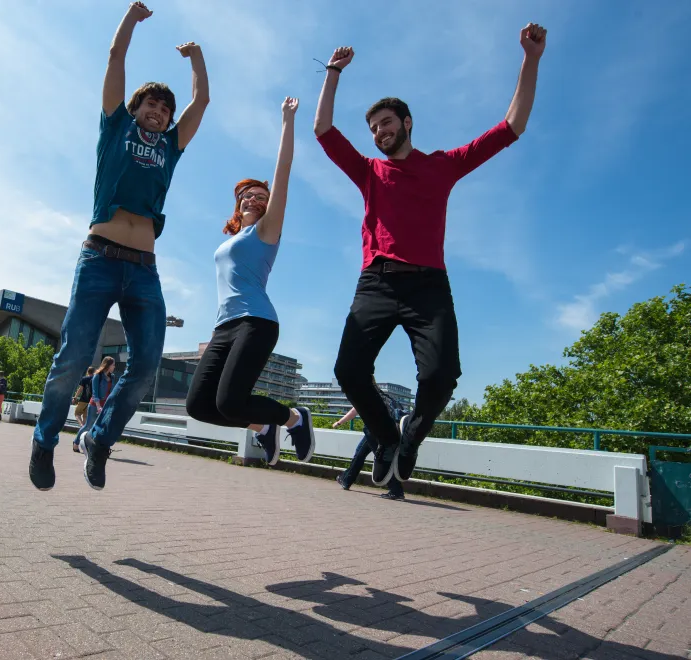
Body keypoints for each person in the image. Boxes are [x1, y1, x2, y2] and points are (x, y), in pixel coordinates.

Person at [314, 24, 547, 486]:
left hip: (428, 285)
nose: (380, 132)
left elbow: (511, 127)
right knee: (348, 369)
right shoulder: (368, 171)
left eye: (386, 123)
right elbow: (322, 129)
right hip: (377, 280)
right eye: (374, 127)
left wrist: (531, 59)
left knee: (442, 375)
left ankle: (409, 436)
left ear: (407, 123)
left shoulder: (443, 165)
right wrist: (334, 73)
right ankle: (384, 439)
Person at [30, 1, 210, 492]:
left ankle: (100, 440)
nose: (158, 111)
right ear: (135, 109)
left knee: (147, 364)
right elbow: (115, 60)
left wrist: (196, 59)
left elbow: (202, 102)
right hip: (99, 260)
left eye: (165, 108)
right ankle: (44, 441)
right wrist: (130, 18)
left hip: (144, 271)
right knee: (73, 357)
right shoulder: (115, 129)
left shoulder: (170, 147)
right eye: (150, 104)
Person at [185, 97, 315, 466]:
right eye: (248, 195)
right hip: (223, 326)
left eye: (262, 195)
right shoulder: (229, 240)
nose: (255, 198)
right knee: (200, 406)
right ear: (237, 204)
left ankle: (293, 418)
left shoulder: (267, 231)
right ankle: (263, 428)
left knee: (229, 401)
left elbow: (283, 170)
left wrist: (288, 121)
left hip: (256, 321)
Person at [333, 407, 405, 500]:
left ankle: (396, 491)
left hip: (374, 429)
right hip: (378, 428)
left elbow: (354, 411)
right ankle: (346, 480)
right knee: (360, 454)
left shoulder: (364, 394)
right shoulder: (379, 395)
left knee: (382, 459)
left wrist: (339, 422)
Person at [75, 357, 116, 449]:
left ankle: (97, 446)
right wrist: (98, 406)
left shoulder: (112, 377)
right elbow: (95, 393)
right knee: (88, 426)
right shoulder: (97, 376)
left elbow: (112, 392)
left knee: (103, 427)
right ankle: (76, 442)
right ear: (108, 365)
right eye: (113, 365)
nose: (114, 366)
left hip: (105, 405)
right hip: (94, 405)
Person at [73, 367, 97, 442]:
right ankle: (83, 435)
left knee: (77, 414)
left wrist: (75, 397)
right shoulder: (95, 379)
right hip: (91, 401)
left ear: (88, 372)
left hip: (83, 400)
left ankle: (81, 426)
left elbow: (80, 389)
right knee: (85, 417)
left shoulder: (84, 379)